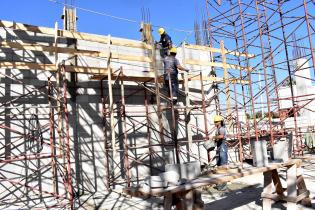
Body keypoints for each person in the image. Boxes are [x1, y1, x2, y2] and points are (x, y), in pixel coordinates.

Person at [212, 115, 228, 191]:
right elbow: (218, 138)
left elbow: (221, 136)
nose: (214, 123)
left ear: (218, 122)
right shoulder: (218, 129)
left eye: (215, 122)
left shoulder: (221, 129)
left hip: (222, 148)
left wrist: (214, 137)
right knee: (218, 165)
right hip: (219, 148)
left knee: (223, 166)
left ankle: (224, 185)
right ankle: (220, 183)